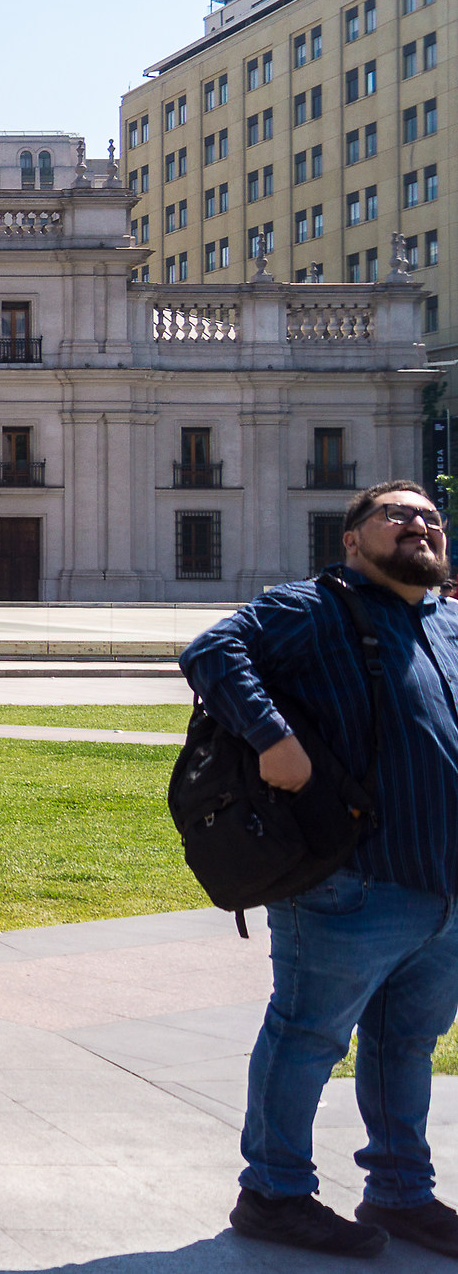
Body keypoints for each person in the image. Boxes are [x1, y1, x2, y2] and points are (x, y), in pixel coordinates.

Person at [182, 478, 458, 1260]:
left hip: (445, 885)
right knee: (307, 1036)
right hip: (353, 880)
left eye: (431, 518)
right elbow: (211, 649)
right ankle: (273, 1194)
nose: (418, 526)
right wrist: (272, 737)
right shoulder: (315, 608)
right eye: (397, 515)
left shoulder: (447, 621)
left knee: (407, 1044)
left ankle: (401, 1193)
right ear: (352, 539)